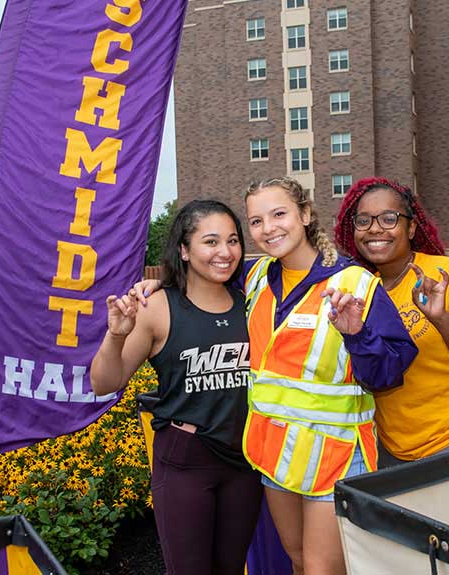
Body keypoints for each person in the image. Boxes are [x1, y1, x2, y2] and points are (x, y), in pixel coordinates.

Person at [135, 178, 417, 574]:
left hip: (334, 455)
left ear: (304, 215)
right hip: (276, 455)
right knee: (298, 562)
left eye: (279, 214)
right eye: (256, 221)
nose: (268, 228)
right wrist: (160, 284)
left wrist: (358, 336)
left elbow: (390, 374)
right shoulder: (254, 278)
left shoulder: (354, 283)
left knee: (322, 570)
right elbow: (200, 272)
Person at [90, 200, 262, 575]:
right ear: (184, 250)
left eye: (233, 241)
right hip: (187, 460)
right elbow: (105, 382)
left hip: (245, 462)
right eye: (211, 241)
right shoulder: (157, 306)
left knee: (230, 569)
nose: (225, 252)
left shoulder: (253, 302)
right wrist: (116, 337)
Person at [334, 178, 449, 467]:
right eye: (364, 220)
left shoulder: (444, 273)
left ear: (410, 227)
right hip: (391, 449)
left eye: (388, 218)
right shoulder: (356, 288)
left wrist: (441, 319)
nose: (375, 228)